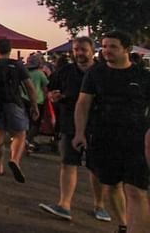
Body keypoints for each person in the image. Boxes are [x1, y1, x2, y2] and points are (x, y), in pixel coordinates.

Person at [73, 30, 150, 233]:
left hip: (136, 141)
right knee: (111, 186)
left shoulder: (142, 76)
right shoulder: (95, 73)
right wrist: (79, 132)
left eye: (112, 46)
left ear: (127, 49)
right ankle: (124, 224)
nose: (107, 50)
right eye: (105, 46)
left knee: (136, 191)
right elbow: (83, 104)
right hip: (103, 138)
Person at [39, 37, 114, 223]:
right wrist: (52, 95)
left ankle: (100, 205)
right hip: (69, 123)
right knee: (68, 163)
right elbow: (51, 89)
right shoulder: (65, 71)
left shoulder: (103, 72)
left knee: (96, 168)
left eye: (83, 49)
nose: (79, 53)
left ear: (92, 50)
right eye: (76, 49)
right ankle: (64, 205)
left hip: (97, 126)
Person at [0, 38, 39, 183]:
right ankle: (15, 160)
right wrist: (34, 106)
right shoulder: (17, 65)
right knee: (20, 134)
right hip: (14, 102)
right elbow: (30, 88)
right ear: (10, 49)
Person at [25, 54, 50, 151]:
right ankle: (28, 140)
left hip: (24, 100)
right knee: (36, 123)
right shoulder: (40, 74)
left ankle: (26, 140)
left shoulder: (24, 73)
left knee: (27, 122)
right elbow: (45, 87)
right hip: (38, 101)